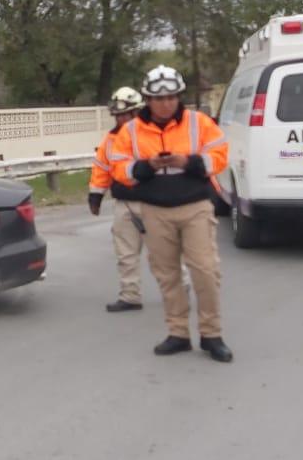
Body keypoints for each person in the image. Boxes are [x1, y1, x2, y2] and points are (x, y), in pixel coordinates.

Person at [110, 66, 234, 363]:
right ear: (148, 100)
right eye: (159, 98)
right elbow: (119, 167)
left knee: (205, 270)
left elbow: (219, 157)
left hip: (195, 207)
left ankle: (211, 334)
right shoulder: (130, 131)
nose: (166, 103)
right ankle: (178, 333)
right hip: (155, 210)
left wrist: (188, 161)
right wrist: (147, 166)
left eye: (171, 97)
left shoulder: (199, 123)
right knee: (167, 275)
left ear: (179, 97)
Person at [89, 87, 147, 313]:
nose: (121, 119)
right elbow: (102, 168)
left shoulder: (152, 135)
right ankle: (130, 296)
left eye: (125, 114)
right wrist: (96, 195)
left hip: (154, 203)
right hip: (124, 204)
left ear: (137, 112)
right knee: (126, 253)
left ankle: (180, 291)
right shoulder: (111, 140)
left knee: (166, 253)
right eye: (118, 115)